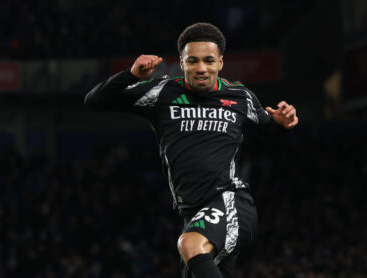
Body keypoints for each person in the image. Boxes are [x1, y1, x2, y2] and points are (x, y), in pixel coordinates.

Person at [84, 22, 298, 278]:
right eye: (193, 61)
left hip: (230, 201)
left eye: (208, 60)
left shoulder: (240, 96)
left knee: (190, 245)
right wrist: (131, 75)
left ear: (220, 62)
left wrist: (283, 124)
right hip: (191, 213)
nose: (201, 68)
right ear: (182, 63)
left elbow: (268, 130)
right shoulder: (162, 92)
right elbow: (95, 101)